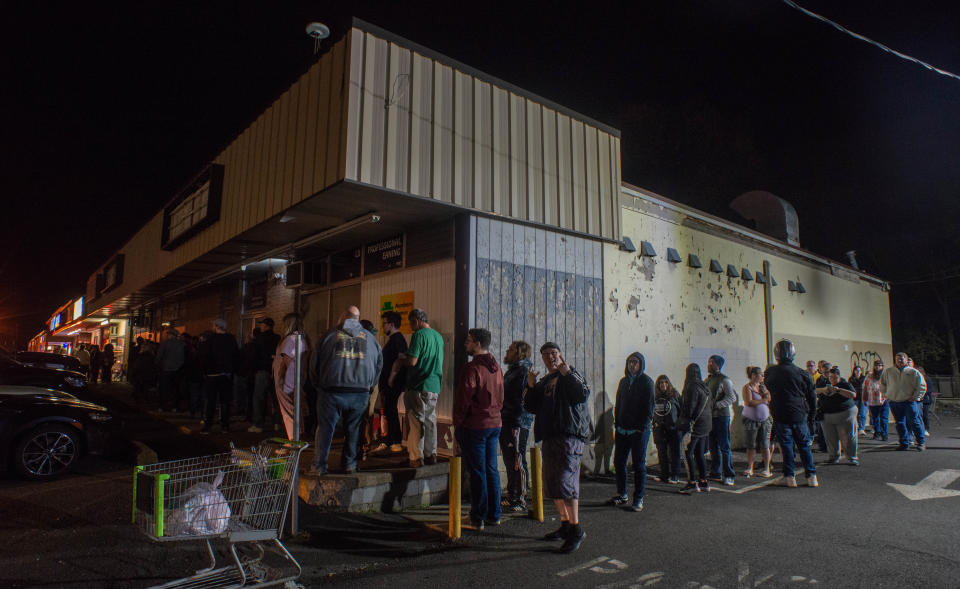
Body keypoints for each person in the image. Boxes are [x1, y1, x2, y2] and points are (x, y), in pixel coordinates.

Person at [523, 342, 591, 554]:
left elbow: (583, 394)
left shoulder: (570, 373)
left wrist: (568, 373)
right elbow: (530, 407)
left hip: (569, 435)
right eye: (545, 355)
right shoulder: (545, 381)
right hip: (549, 436)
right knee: (553, 484)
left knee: (566, 481)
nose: (550, 357)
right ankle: (564, 524)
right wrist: (531, 386)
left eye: (553, 353)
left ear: (561, 354)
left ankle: (576, 528)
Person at [309, 306, 383, 475]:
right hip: (360, 393)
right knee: (353, 430)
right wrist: (370, 385)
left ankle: (319, 466)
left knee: (326, 429)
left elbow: (314, 364)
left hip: (331, 391)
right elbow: (379, 365)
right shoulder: (371, 339)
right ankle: (349, 464)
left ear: (343, 318)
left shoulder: (328, 336)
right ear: (357, 319)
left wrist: (317, 385)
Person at [453, 328, 504, 530]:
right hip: (494, 423)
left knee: (477, 471)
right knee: (491, 469)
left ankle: (477, 517)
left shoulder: (471, 368)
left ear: (478, 343)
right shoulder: (496, 367)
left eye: (469, 341)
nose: (466, 344)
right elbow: (501, 396)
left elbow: (463, 399)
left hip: (475, 425)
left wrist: (457, 423)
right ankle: (494, 514)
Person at [764, 340, 818, 488]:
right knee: (804, 446)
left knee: (787, 447)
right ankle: (811, 476)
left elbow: (768, 387)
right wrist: (812, 417)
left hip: (780, 413)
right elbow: (812, 397)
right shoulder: (802, 373)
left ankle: (789, 477)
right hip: (799, 414)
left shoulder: (770, 372)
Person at [608, 352, 655, 511]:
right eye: (630, 362)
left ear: (641, 364)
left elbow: (649, 408)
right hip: (622, 430)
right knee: (619, 462)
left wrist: (641, 427)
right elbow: (618, 403)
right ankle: (622, 494)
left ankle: (638, 498)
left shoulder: (646, 382)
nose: (632, 365)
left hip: (639, 431)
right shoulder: (623, 381)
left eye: (635, 362)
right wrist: (617, 422)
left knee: (638, 465)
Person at [397, 308, 444, 468]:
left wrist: (401, 360)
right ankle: (432, 454)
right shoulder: (438, 337)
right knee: (431, 420)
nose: (411, 327)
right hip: (434, 385)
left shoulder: (419, 335)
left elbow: (413, 362)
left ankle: (416, 457)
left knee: (416, 421)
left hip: (418, 385)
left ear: (416, 320)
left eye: (411, 323)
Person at [499, 340, 534, 512]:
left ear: (520, 353)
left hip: (517, 421)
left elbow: (523, 399)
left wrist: (511, 414)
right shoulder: (514, 371)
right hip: (509, 419)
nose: (507, 351)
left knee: (516, 459)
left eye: (511, 349)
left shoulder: (522, 371)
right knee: (511, 458)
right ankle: (513, 494)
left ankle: (519, 498)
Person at [273, 313, 311, 440]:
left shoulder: (290, 339)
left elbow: (288, 362)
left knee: (289, 411)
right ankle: (297, 437)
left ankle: (293, 441)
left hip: (286, 381)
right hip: (298, 380)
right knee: (296, 409)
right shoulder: (302, 339)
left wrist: (282, 380)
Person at [374, 311, 407, 454]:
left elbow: (401, 358)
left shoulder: (398, 339)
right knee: (387, 410)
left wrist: (392, 377)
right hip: (387, 383)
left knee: (391, 410)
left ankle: (396, 441)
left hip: (392, 383)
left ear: (392, 324)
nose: (383, 326)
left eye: (384, 323)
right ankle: (388, 440)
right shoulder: (393, 339)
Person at [677, 363, 712, 494]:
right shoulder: (705, 386)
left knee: (687, 453)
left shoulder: (691, 386)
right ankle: (704, 481)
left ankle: (692, 482)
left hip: (694, 426)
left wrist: (684, 421)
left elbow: (689, 407)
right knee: (699, 453)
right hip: (705, 425)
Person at [880, 352, 926, 451]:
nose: (900, 361)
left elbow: (921, 386)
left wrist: (916, 397)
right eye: (898, 359)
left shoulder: (913, 372)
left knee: (914, 422)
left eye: (902, 359)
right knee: (899, 423)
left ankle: (921, 443)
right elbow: (882, 385)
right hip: (894, 402)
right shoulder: (888, 372)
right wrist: (887, 396)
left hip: (909, 402)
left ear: (906, 359)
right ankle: (904, 443)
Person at [199, 319, 239, 434]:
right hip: (226, 375)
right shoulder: (231, 339)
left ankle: (208, 426)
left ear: (216, 326)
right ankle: (225, 426)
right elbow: (236, 356)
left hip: (212, 374)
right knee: (225, 401)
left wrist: (204, 371)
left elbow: (204, 357)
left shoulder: (211, 340)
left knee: (210, 401)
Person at [705, 355, 737, 486]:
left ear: (718, 365)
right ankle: (715, 472)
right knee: (713, 446)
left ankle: (729, 475)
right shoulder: (707, 380)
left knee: (725, 446)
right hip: (711, 417)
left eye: (711, 362)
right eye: (708, 362)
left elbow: (731, 397)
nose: (709, 364)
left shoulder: (725, 380)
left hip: (722, 417)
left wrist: (717, 405)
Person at [248, 317, 281, 433]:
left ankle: (258, 424)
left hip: (262, 371)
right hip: (275, 371)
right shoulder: (278, 338)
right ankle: (277, 422)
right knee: (275, 398)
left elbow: (254, 355)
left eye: (262, 324)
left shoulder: (259, 338)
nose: (260, 326)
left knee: (259, 398)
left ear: (267, 326)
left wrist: (253, 370)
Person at [821, 367, 859, 465]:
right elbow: (814, 390)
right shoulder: (824, 384)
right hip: (828, 415)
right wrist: (823, 390)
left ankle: (851, 457)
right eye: (830, 377)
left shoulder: (845, 384)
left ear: (839, 376)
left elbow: (853, 395)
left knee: (848, 437)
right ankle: (833, 456)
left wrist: (838, 390)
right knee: (830, 438)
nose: (832, 379)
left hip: (844, 414)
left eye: (834, 377)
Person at [741, 366, 773, 478]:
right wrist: (763, 400)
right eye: (761, 375)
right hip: (751, 420)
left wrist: (765, 395)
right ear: (754, 375)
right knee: (751, 445)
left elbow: (769, 399)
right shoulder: (747, 387)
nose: (763, 377)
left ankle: (766, 468)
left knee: (765, 445)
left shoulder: (762, 387)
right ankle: (750, 468)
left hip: (765, 420)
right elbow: (749, 402)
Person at [653, 374, 682, 484]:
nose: (663, 384)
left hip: (673, 429)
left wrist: (680, 425)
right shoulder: (655, 397)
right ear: (658, 385)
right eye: (660, 383)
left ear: (668, 383)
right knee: (662, 453)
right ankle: (664, 475)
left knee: (674, 453)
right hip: (659, 429)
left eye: (665, 382)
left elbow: (681, 409)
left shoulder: (674, 394)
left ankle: (675, 476)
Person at [156, 327, 185, 411]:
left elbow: (159, 356)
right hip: (177, 370)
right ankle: (175, 406)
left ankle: (162, 406)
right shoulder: (181, 344)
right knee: (175, 389)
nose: (167, 335)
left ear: (171, 335)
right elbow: (182, 358)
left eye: (168, 334)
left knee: (164, 388)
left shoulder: (165, 343)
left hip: (165, 369)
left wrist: (158, 365)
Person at [863, 359, 888, 440]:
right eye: (876, 365)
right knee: (875, 418)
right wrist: (864, 398)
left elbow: (890, 387)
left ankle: (884, 434)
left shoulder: (885, 375)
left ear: (882, 367)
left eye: (879, 366)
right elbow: (865, 387)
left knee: (884, 418)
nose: (877, 367)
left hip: (883, 400)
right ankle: (877, 433)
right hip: (872, 400)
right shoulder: (869, 375)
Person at [849, 366, 867, 435]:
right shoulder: (851, 379)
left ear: (861, 371)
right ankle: (855, 427)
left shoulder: (864, 378)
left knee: (862, 413)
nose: (858, 372)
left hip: (863, 397)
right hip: (855, 398)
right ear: (854, 371)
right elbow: (850, 388)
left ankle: (861, 428)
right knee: (854, 414)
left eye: (859, 370)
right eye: (856, 370)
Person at [917, 366, 934, 436]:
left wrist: (921, 393)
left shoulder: (927, 379)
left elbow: (929, 390)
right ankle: (920, 429)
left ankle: (926, 429)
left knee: (925, 415)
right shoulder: (916, 379)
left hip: (926, 400)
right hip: (919, 399)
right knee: (919, 415)